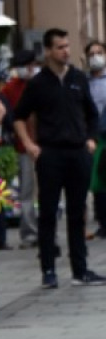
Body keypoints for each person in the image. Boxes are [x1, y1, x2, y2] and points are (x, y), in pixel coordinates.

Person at [14, 28, 105, 289]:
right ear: (48, 51)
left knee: (78, 213)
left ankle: (81, 269)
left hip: (78, 152)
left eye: (67, 46)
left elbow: (91, 113)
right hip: (50, 153)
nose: (66, 50)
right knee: (48, 212)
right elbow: (19, 116)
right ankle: (49, 271)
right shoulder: (38, 83)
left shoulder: (78, 78)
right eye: (60, 47)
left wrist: (90, 139)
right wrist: (30, 145)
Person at [0, 49, 41, 248]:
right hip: (23, 147)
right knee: (26, 192)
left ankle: (43, 230)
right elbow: (9, 118)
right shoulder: (9, 89)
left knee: (44, 191)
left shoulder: (41, 84)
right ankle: (29, 233)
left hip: (44, 143)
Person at [85, 41, 106, 237]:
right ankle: (102, 221)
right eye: (92, 54)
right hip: (91, 138)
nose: (96, 57)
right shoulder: (84, 83)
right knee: (96, 183)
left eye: (99, 53)